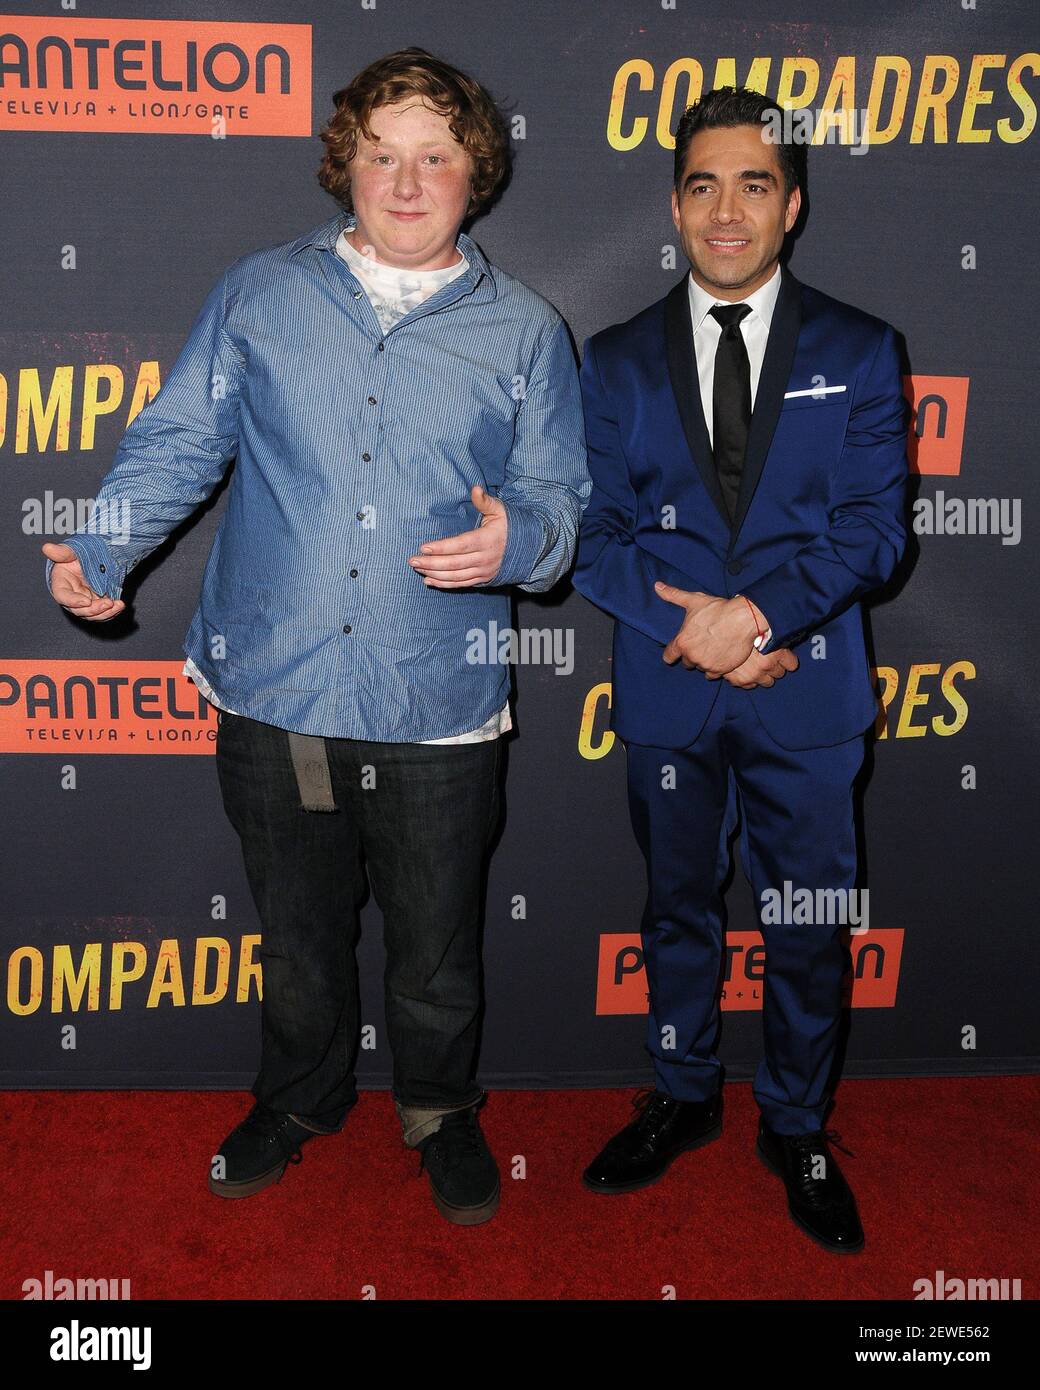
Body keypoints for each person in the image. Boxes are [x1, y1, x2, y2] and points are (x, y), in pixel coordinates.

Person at [42, 47, 590, 1227]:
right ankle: (299, 1099)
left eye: (434, 156)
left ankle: (439, 1107)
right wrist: (101, 551)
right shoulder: (258, 292)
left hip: (437, 696)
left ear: (473, 174)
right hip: (277, 688)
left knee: (437, 949)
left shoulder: (528, 333)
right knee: (293, 939)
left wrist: (521, 545)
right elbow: (181, 438)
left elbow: (560, 500)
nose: (406, 181)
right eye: (382, 155)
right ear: (344, 166)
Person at [572, 86, 908, 1253]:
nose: (727, 210)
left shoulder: (864, 350)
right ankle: (679, 1093)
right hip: (668, 693)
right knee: (675, 911)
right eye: (703, 184)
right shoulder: (610, 360)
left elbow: (874, 532)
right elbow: (592, 535)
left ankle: (797, 1120)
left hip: (805, 694)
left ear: (792, 204)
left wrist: (757, 622)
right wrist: (701, 637)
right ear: (673, 205)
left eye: (753, 183)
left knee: (807, 923)